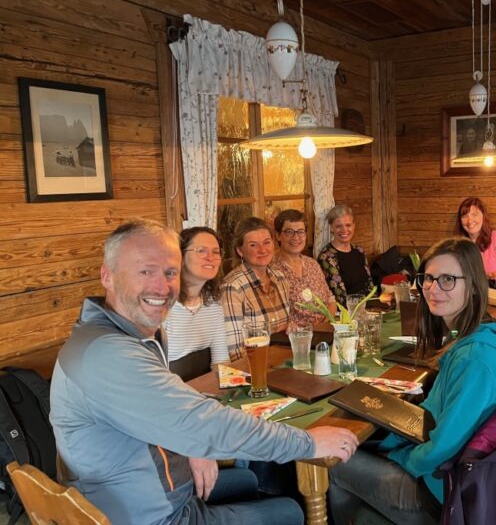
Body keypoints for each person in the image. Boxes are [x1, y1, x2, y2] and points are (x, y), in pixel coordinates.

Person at [50, 219, 358, 525]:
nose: (161, 287)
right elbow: (203, 424)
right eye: (145, 271)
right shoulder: (108, 353)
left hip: (151, 485)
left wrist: (191, 443)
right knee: (290, 510)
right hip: (153, 514)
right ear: (107, 276)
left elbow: (174, 404)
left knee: (250, 480)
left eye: (170, 273)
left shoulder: (123, 333)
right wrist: (309, 443)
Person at [328, 237, 496, 524]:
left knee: (336, 462)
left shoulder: (474, 360)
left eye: (448, 279)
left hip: (445, 493)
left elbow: (442, 448)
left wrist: (398, 456)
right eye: (429, 278)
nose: (433, 289)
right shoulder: (478, 335)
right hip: (452, 477)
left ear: (473, 286)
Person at [222, 217, 291, 359]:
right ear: (240, 251)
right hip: (254, 365)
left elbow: (289, 327)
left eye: (267, 242)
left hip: (285, 360)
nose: (263, 250)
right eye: (253, 245)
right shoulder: (232, 288)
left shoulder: (280, 277)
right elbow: (235, 352)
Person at [165, 227, 230, 371]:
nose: (210, 257)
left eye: (216, 252)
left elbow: (221, 361)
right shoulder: (162, 303)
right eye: (201, 251)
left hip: (202, 383)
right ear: (180, 256)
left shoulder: (214, 301)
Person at [272, 209, 336, 327]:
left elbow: (330, 300)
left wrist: (326, 320)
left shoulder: (312, 264)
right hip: (293, 335)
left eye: (300, 232)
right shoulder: (272, 269)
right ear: (278, 235)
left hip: (324, 330)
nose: (296, 237)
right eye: (289, 232)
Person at [317, 204, 374, 306]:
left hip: (367, 307)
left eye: (348, 225)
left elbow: (369, 286)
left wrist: (376, 305)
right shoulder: (326, 256)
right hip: (346, 311)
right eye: (339, 226)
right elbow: (340, 297)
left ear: (354, 226)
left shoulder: (359, 251)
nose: (344, 230)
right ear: (331, 228)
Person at [453, 197, 496, 286]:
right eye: (465, 216)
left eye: (474, 214)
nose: (469, 221)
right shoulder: (458, 246)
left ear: (483, 215)